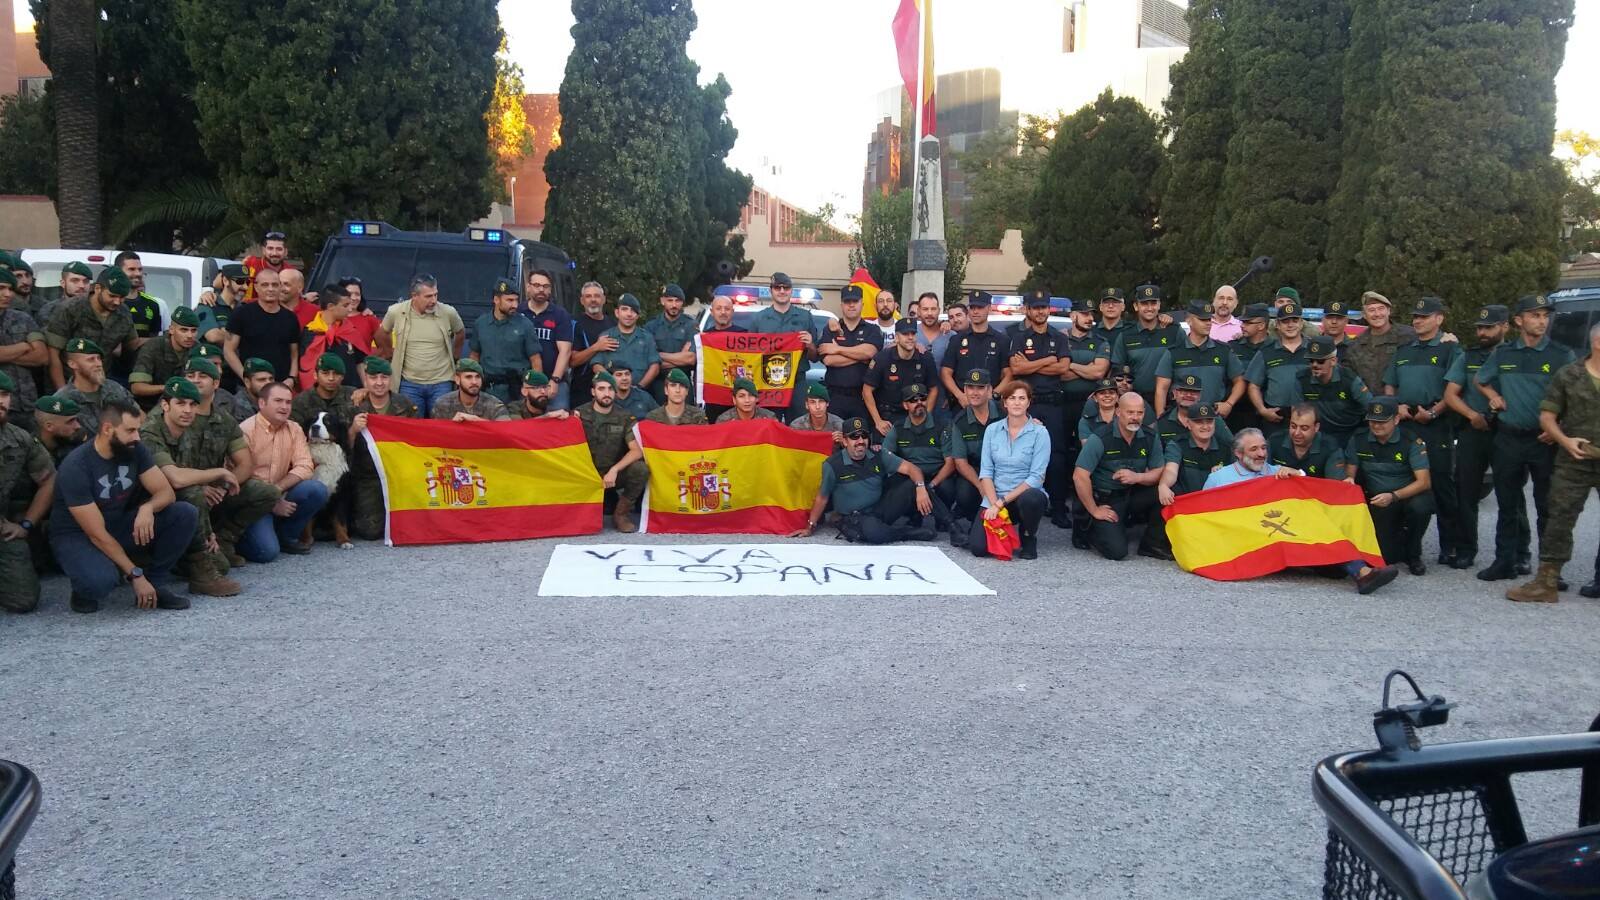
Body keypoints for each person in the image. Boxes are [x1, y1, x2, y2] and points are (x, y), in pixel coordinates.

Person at [1203, 426, 1400, 594]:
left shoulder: (1277, 472)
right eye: (1254, 449)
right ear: (1238, 453)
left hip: (1285, 533)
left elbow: (1306, 496)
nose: (1261, 454)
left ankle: (1361, 572)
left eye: (1264, 448)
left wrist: (1298, 474)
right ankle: (1354, 568)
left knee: (1320, 524)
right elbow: (1202, 515)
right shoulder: (1220, 477)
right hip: (1248, 537)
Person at [51, 396, 199, 613]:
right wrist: (134, 575)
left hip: (116, 523)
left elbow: (165, 493)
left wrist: (147, 508)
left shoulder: (134, 449)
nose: (137, 437)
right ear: (107, 428)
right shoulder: (76, 466)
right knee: (99, 582)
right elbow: (96, 534)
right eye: (130, 430)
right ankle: (84, 586)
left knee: (184, 513)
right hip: (78, 535)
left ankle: (156, 583)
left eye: (137, 430)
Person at [139, 377, 271, 597]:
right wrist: (219, 473)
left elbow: (245, 463)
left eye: (192, 404)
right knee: (193, 493)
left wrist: (207, 529)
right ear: (165, 405)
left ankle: (191, 552)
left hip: (183, 505)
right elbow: (175, 479)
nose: (188, 410)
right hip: (147, 509)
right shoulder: (151, 431)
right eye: (180, 403)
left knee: (222, 565)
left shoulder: (189, 427)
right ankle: (199, 572)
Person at [1474, 294, 1574, 582]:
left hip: (1544, 441)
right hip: (1509, 439)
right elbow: (1480, 380)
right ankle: (1505, 562)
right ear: (1519, 321)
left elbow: (1574, 397)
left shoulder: (1560, 354)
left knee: (1547, 507)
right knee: (1508, 504)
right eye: (1535, 315)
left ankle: (1549, 570)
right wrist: (1494, 396)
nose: (1542, 321)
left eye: (1545, 316)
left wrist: (1559, 427)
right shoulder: (1504, 354)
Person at [1506, 322, 1600, 602]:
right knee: (1558, 519)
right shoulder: (1570, 375)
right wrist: (1564, 440)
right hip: (1574, 460)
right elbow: (1547, 416)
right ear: (1597, 343)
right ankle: (1546, 582)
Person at [1382, 296, 1462, 569]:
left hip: (1436, 424)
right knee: (1406, 483)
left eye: (1425, 317)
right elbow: (1390, 384)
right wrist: (1397, 406)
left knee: (1441, 485)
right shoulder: (1404, 351)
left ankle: (1450, 545)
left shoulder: (1451, 349)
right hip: (1406, 423)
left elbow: (1455, 386)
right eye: (1416, 317)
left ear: (1439, 319)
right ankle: (1407, 546)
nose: (1418, 321)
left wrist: (1435, 412)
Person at [1444, 304, 1518, 572]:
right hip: (1473, 430)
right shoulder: (1468, 356)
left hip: (1507, 432)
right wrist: (1472, 415)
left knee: (1511, 494)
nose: (1483, 332)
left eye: (1489, 327)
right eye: (1480, 327)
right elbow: (1451, 394)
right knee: (1466, 492)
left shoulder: (1515, 355)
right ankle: (1465, 549)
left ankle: (1517, 552)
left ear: (1505, 327)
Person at [791, 416, 934, 544]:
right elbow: (822, 498)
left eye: (864, 436)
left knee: (916, 484)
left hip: (878, 510)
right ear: (845, 441)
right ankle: (907, 533)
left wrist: (920, 487)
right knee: (873, 533)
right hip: (853, 517)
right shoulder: (832, 465)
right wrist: (809, 527)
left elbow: (912, 469)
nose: (860, 441)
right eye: (854, 437)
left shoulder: (878, 454)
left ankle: (951, 525)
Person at [239, 381, 328, 560]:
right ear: (262, 403)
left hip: (280, 493)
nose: (284, 406)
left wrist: (277, 491)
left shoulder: (294, 429)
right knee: (267, 553)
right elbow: (240, 479)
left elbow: (305, 466)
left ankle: (286, 536)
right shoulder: (245, 430)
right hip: (252, 501)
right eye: (278, 401)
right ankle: (238, 541)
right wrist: (270, 501)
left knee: (316, 489)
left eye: (288, 402)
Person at [1345, 397, 1434, 575]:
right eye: (1373, 421)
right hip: (1378, 499)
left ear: (1396, 419)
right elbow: (1350, 475)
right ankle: (1399, 543)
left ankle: (1414, 554)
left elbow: (1424, 482)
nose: (1376, 426)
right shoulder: (1359, 439)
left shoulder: (1411, 441)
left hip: (1407, 496)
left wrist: (1393, 496)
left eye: (1382, 421)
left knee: (1421, 507)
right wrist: (1348, 481)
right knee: (1387, 556)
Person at [1074, 392, 1166, 561]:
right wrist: (1095, 509)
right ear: (1118, 412)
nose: (1135, 418)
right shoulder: (1101, 438)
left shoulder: (1150, 437)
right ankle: (1090, 526)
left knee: (1166, 492)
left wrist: (1137, 477)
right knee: (1117, 552)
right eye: (1130, 412)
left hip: (1132, 494)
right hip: (1106, 500)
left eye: (1139, 413)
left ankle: (1152, 544)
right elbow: (1079, 476)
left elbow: (1159, 471)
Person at [1005, 290, 1069, 519]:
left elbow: (1063, 368)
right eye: (1036, 307)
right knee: (1024, 455)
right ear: (1027, 310)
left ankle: (1059, 508)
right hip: (1027, 406)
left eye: (1044, 307)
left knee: (1057, 457)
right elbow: (1017, 369)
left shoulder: (1059, 337)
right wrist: (1048, 360)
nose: (1040, 311)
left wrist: (1031, 364)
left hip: (1052, 404)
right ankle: (1024, 505)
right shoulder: (1020, 338)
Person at [971, 381, 1050, 559]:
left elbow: (1037, 477)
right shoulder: (992, 430)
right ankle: (1003, 531)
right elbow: (986, 472)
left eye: (1022, 398)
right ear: (1005, 403)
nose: (1017, 402)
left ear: (1029, 402)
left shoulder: (1040, 433)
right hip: (994, 497)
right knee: (978, 549)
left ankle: (1029, 536)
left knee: (1033, 498)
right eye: (1012, 398)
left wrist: (1001, 503)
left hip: (1023, 496)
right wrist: (993, 504)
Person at [343, 356, 417, 540]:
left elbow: (417, 440)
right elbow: (343, 451)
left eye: (384, 377)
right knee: (369, 531)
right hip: (368, 476)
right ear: (366, 379)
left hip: (399, 473)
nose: (379, 383)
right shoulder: (353, 407)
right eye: (374, 378)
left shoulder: (404, 404)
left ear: (390, 379)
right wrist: (353, 430)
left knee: (413, 522)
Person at [0, 370, 55, 613]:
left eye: (4, 395)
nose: (1, 401)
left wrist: (26, 524)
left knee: (23, 600)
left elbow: (50, 479)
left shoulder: (19, 439)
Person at [376, 274, 464, 417]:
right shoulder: (396, 311)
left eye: (435, 295)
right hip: (409, 383)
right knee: (411, 427)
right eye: (428, 296)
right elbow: (382, 333)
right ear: (414, 296)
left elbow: (460, 333)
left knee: (442, 426)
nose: (434, 300)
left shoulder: (448, 312)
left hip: (441, 382)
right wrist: (389, 354)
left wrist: (455, 357)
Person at [577, 371, 649, 533]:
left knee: (640, 469)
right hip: (586, 472)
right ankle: (577, 513)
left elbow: (636, 451)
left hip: (613, 472)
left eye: (610, 389)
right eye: (601, 389)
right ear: (593, 392)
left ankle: (621, 514)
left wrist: (614, 470)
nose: (606, 393)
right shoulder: (579, 415)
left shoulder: (624, 417)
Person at [45, 268, 136, 391]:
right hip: (69, 382)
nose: (117, 302)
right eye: (112, 296)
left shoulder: (123, 313)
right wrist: (62, 392)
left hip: (100, 383)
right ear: (98, 289)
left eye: (122, 297)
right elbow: (53, 354)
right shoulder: (70, 309)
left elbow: (132, 344)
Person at [1153, 299, 1244, 420]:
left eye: (1209, 319)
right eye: (1202, 319)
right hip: (1182, 418)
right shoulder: (1174, 352)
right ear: (1189, 321)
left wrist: (1229, 403)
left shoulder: (1223, 350)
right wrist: (1161, 419)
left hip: (1214, 417)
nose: (1208, 323)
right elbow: (1161, 388)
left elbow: (1240, 380)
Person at [941, 369, 1001, 545]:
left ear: (990, 391)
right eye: (970, 387)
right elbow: (960, 463)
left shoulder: (1004, 413)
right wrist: (982, 487)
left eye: (980, 388)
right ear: (965, 390)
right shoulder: (959, 421)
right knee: (965, 494)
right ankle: (976, 520)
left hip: (1002, 470)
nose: (975, 392)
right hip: (974, 470)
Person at [750, 272, 819, 424]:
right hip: (768, 382)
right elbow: (749, 354)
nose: (782, 291)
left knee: (799, 425)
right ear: (771, 291)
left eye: (786, 288)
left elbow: (815, 356)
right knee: (768, 425)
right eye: (777, 287)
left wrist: (810, 345)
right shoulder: (759, 318)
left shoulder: (805, 317)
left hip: (797, 381)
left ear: (791, 290)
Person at [883, 383, 953, 530]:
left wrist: (932, 485)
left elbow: (950, 463)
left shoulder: (942, 426)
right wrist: (915, 479)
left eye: (922, 398)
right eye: (913, 400)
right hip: (911, 477)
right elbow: (886, 454)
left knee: (948, 486)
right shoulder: (898, 428)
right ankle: (914, 515)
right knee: (895, 483)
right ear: (905, 405)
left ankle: (942, 521)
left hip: (936, 476)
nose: (919, 403)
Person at [225, 268, 300, 395]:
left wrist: (292, 379)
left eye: (275, 285)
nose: (270, 289)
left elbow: (294, 354)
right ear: (256, 287)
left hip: (280, 387)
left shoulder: (290, 318)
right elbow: (228, 351)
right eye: (265, 285)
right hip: (248, 390)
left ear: (280, 287)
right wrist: (246, 378)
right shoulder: (242, 314)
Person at [468, 279, 542, 403]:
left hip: (516, 391)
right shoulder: (481, 324)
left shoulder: (525, 325)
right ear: (496, 300)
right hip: (487, 389)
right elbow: (474, 356)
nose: (515, 305)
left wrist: (535, 389)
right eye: (509, 300)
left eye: (516, 300)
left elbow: (536, 360)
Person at [816, 285, 881, 421]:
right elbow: (828, 360)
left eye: (855, 301)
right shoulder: (830, 329)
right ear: (841, 305)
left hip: (862, 398)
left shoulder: (872, 329)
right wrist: (860, 356)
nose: (851, 305)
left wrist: (838, 349)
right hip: (835, 398)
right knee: (835, 439)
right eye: (847, 302)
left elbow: (870, 352)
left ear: (862, 304)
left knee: (860, 441)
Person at [1245, 301, 1311, 436]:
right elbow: (1253, 386)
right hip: (1276, 418)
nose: (1290, 324)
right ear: (1278, 325)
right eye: (1285, 321)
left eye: (1295, 320)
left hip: (1308, 418)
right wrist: (1262, 410)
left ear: (1301, 323)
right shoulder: (1266, 352)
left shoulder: (1313, 349)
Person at [865, 319, 939, 436]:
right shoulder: (883, 358)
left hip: (915, 415)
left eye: (913, 334)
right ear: (897, 337)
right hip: (888, 417)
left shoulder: (925, 358)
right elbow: (867, 390)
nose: (910, 337)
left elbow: (933, 389)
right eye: (905, 334)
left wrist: (926, 417)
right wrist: (878, 421)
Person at [1293, 336, 1373, 445]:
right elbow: (1298, 412)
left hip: (1350, 432)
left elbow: (1371, 407)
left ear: (1333, 361)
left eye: (1320, 361)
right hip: (1318, 434)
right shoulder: (1301, 379)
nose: (1315, 365)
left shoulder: (1350, 380)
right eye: (1311, 360)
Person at [1115, 284, 1184, 408]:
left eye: (1153, 303)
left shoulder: (1174, 331)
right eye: (1144, 304)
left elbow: (1185, 364)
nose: (1149, 308)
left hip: (1171, 401)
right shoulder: (1126, 335)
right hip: (1136, 401)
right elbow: (1117, 370)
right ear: (1136, 306)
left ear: (1159, 305)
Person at [939, 290, 1010, 406]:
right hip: (962, 405)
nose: (975, 311)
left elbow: (1008, 374)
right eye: (972, 308)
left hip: (991, 405)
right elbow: (945, 372)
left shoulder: (1001, 340)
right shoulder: (957, 340)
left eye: (980, 307)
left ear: (989, 308)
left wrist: (994, 394)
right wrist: (960, 396)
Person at [0, 268, 46, 433]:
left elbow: (41, 356)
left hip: (26, 404)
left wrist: (5, 354)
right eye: (1, 288)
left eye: (10, 289)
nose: (7, 294)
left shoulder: (23, 318)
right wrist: (24, 346)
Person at [57, 338, 136, 434]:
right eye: (91, 360)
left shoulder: (115, 388)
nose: (98, 364)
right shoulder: (63, 400)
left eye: (99, 359)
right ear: (73, 364)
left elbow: (139, 416)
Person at [1344, 291, 1415, 397]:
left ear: (1389, 311)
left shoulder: (1410, 336)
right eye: (1371, 310)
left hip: (1403, 406)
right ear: (1364, 315)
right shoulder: (1355, 345)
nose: (1377, 314)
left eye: (1381, 309)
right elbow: (1350, 380)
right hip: (1368, 407)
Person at [129, 306, 201, 409]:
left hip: (186, 405)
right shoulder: (153, 347)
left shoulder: (197, 348)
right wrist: (169, 388)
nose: (190, 335)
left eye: (193, 331)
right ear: (171, 329)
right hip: (150, 406)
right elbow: (137, 387)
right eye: (184, 330)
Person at [522, 269, 574, 410]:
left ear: (550, 290)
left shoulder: (560, 315)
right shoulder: (519, 313)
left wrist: (555, 380)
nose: (541, 290)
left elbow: (565, 351)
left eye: (545, 286)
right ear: (528, 287)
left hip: (553, 382)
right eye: (537, 285)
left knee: (557, 425)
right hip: (524, 383)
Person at [298, 283, 368, 389]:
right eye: (345, 305)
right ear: (330, 306)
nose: (350, 309)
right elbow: (306, 367)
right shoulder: (310, 332)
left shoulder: (350, 330)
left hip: (349, 394)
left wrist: (366, 387)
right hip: (320, 395)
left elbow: (360, 361)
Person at [590, 293, 660, 396]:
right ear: (617, 313)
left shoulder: (647, 338)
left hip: (640, 395)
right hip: (612, 396)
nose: (629, 314)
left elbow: (655, 366)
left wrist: (640, 387)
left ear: (638, 315)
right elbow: (596, 365)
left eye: (633, 311)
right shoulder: (606, 336)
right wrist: (612, 384)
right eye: (624, 309)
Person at [644, 284, 698, 402]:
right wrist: (680, 358)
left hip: (683, 381)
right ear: (662, 301)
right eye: (670, 300)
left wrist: (659, 355)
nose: (674, 305)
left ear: (682, 302)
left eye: (677, 301)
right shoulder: (651, 326)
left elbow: (690, 359)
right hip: (658, 382)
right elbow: (647, 360)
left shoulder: (691, 325)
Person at [568, 281, 617, 408]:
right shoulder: (575, 324)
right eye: (588, 296)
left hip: (610, 388)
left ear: (604, 299)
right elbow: (572, 361)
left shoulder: (614, 324)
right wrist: (596, 347)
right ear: (582, 300)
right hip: (582, 389)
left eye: (597, 296)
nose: (593, 300)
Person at [291, 353, 357, 448]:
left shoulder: (353, 395)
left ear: (342, 377)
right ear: (315, 375)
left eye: (336, 374)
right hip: (310, 454)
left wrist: (366, 391)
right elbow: (293, 434)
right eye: (325, 373)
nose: (331, 378)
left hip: (347, 454)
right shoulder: (301, 401)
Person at [1153, 374, 1236, 448]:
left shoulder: (1213, 418)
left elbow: (1232, 446)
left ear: (1199, 396)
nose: (1189, 395)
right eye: (1184, 391)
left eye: (1194, 392)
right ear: (1175, 393)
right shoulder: (1162, 423)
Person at [700, 293, 747, 421]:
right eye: (719, 308)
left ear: (732, 311)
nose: (723, 312)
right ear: (712, 311)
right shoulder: (704, 337)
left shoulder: (745, 336)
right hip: (713, 397)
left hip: (740, 398)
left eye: (727, 309)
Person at [1269, 405, 1347, 479]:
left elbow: (1335, 486)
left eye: (1304, 428)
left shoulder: (1330, 448)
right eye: (1293, 426)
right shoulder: (1275, 440)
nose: (1297, 433)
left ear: (1316, 427)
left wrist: (1300, 475)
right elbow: (1261, 474)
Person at [430, 358, 512, 422]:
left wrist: (475, 420)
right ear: (457, 379)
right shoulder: (442, 403)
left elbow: (505, 429)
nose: (474, 382)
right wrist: (452, 425)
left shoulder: (494, 404)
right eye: (468, 377)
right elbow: (436, 433)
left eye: (478, 377)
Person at [113, 251, 163, 348]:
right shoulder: (111, 302)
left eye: (140, 269)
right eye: (131, 269)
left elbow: (154, 342)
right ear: (118, 271)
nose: (138, 273)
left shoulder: (152, 304)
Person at [195, 263, 248, 347]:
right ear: (225, 281)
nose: (245, 287)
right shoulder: (208, 304)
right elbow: (213, 336)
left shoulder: (245, 309)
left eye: (247, 282)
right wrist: (245, 338)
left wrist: (224, 332)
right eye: (240, 281)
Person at [34, 393, 86, 465]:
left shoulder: (76, 439)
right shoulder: (31, 453)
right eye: (70, 422)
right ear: (49, 426)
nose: (78, 426)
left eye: (76, 420)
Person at [643, 369, 708, 425]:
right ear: (666, 390)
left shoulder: (698, 417)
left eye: (682, 386)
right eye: (673, 385)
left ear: (687, 391)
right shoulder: (653, 418)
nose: (677, 390)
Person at [242, 230, 290, 302]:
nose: (274, 253)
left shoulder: (290, 271)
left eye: (279, 249)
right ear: (264, 250)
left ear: (286, 252)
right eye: (270, 248)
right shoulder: (250, 264)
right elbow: (222, 283)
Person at [232, 358, 278, 423]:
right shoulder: (237, 406)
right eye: (262, 380)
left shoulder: (279, 401)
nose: (268, 383)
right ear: (247, 382)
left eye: (271, 379)